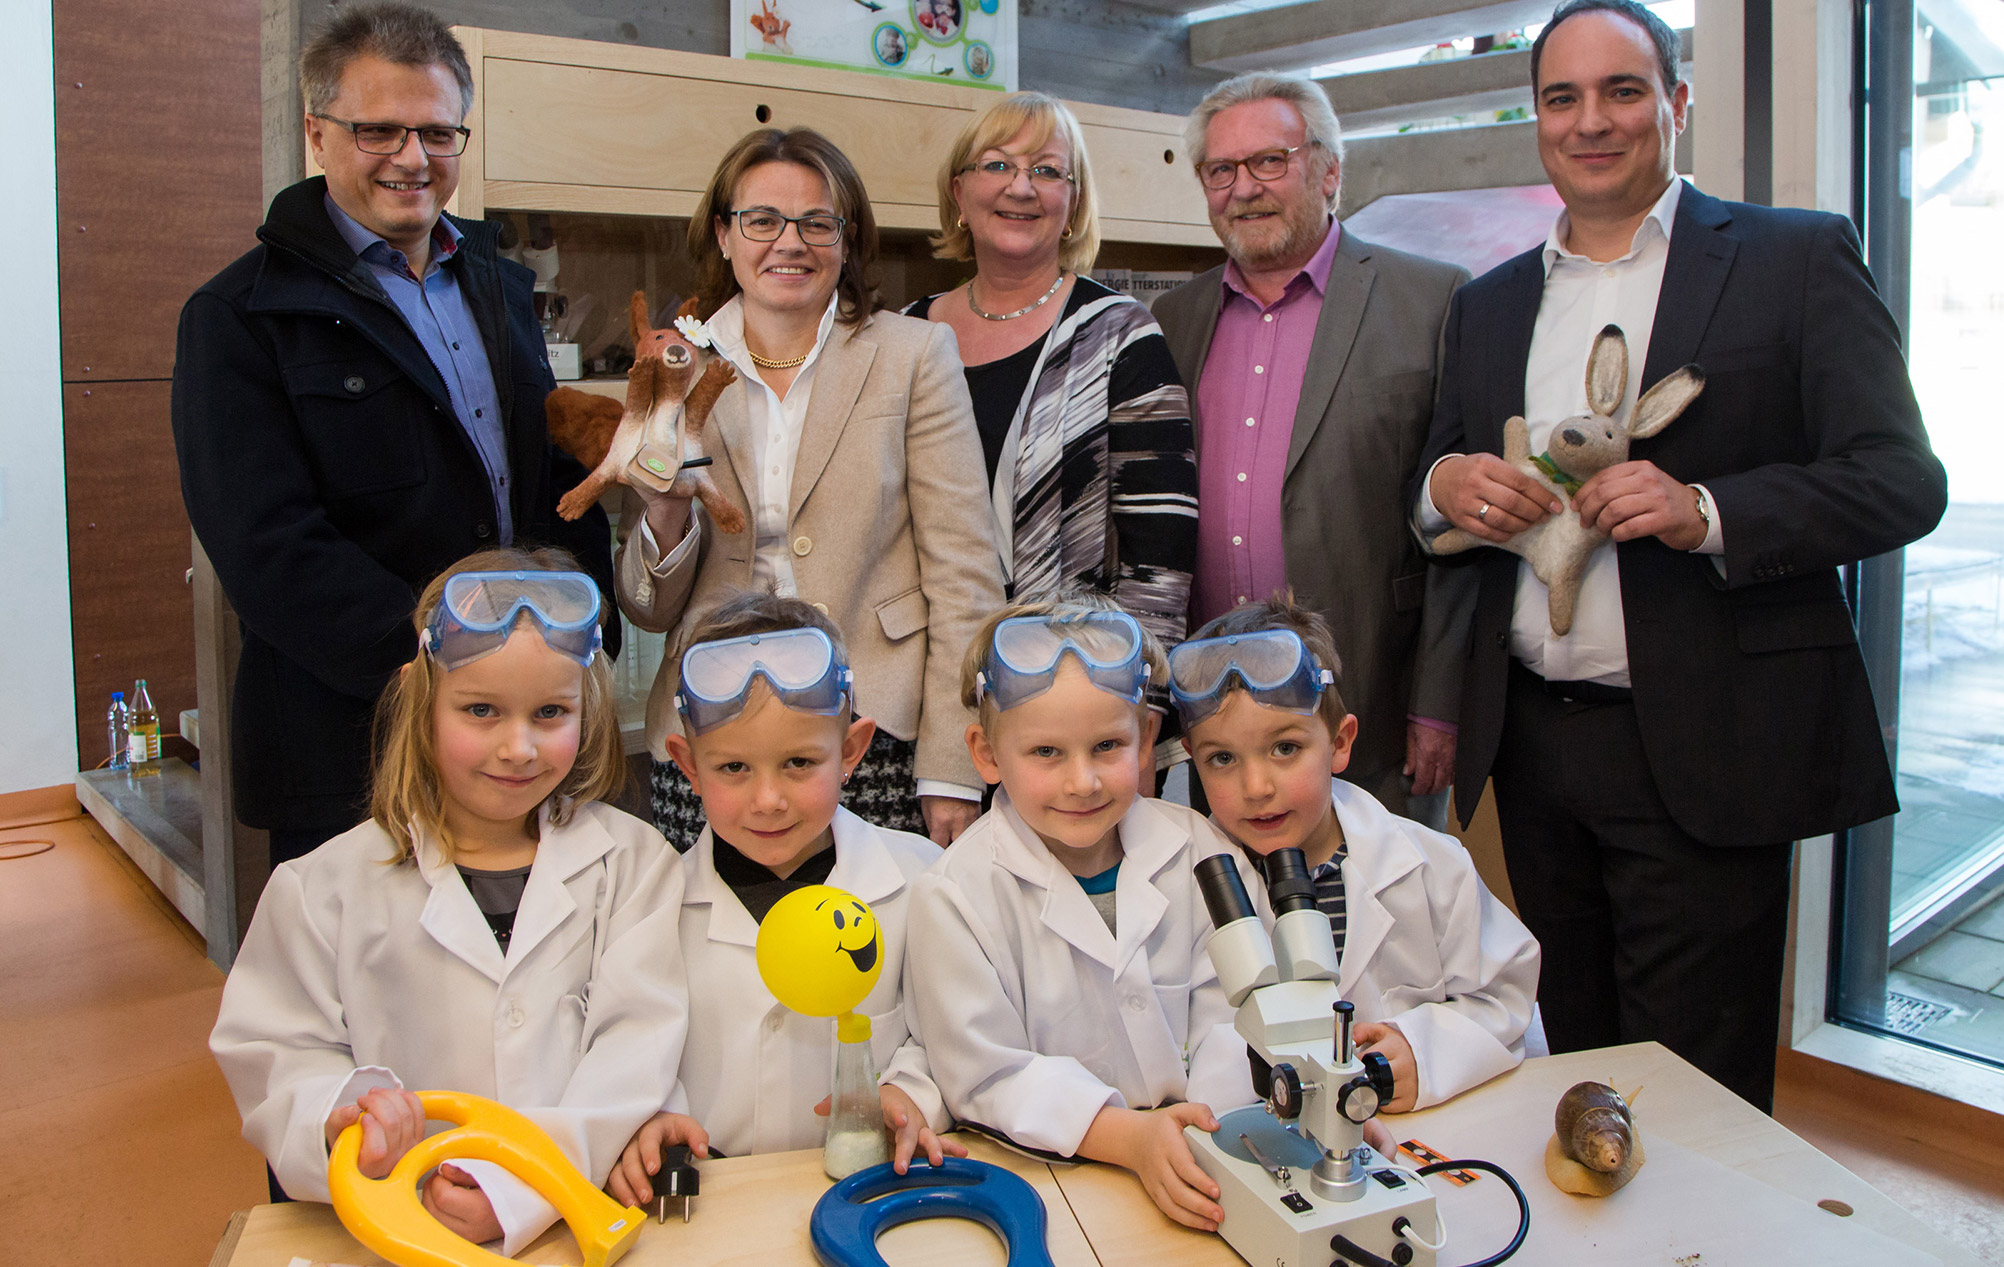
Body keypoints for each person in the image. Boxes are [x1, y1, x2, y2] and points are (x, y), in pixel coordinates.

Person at [1414, 0, 1946, 1111]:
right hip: (1534, 749)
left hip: (1711, 742)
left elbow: (1901, 479)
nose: (1591, 121)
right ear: (1536, 117)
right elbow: (1434, 482)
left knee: (1699, 1091)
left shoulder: (1794, 258)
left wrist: (1706, 509)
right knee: (1577, 1067)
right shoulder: (1489, 301)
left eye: (1623, 91)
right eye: (1562, 97)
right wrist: (1446, 485)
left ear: (1677, 103)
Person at [172, 5, 618, 867]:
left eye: (437, 132)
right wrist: (445, 663)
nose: (412, 158)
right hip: (357, 737)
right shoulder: (240, 315)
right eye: (378, 130)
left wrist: (583, 630)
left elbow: (550, 483)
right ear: (317, 133)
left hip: (523, 730)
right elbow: (266, 546)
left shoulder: (501, 286)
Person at [209, 549, 687, 1257]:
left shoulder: (636, 866)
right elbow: (277, 1051)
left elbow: (636, 1049)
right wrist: (340, 1121)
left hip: (570, 1220)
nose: (518, 747)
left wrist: (519, 1188)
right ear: (418, 699)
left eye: (550, 712)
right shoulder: (321, 888)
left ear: (586, 710)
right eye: (480, 710)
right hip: (397, 1227)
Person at [616, 127, 1005, 851]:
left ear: (847, 240)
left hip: (872, 729)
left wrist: (953, 764)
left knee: (877, 925)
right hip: (711, 730)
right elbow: (646, 608)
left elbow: (965, 573)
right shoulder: (675, 363)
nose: (789, 243)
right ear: (724, 235)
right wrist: (664, 515)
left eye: (817, 223)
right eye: (762, 220)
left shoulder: (914, 354)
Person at [1152, 74, 1472, 831]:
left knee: (1380, 903)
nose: (1244, 188)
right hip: (1216, 715)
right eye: (1221, 170)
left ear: (1329, 171)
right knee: (1227, 905)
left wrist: (1440, 703)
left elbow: (1463, 531)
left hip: (1373, 701)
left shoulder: (1433, 300)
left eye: (1270, 161)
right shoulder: (1172, 318)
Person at [904, 600, 1256, 1232]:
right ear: (986, 754)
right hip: (1052, 1182)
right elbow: (988, 1074)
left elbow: (1238, 1014)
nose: (1083, 781)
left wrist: (1207, 1130)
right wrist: (1131, 1138)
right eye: (1046, 751)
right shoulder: (953, 895)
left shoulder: (1200, 850)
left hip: (1210, 1156)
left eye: (1107, 746)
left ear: (1145, 738)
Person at [607, 594, 961, 1204]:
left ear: (851, 750)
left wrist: (911, 1093)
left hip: (871, 1193)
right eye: (733, 768)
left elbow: (949, 1035)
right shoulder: (649, 902)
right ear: (688, 766)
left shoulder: (923, 879)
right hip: (712, 1209)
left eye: (799, 762)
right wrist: (644, 1119)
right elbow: (627, 1050)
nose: (768, 800)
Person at [1172, 596, 1540, 1119]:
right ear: (1193, 761)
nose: (1256, 787)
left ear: (1340, 742)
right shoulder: (1178, 886)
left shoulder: (1430, 868)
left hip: (1422, 1134)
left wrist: (1422, 1052)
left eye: (1285, 748)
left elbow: (1506, 999)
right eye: (1223, 758)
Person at [906, 92, 1197, 650]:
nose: (1021, 188)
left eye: (1046, 171)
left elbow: (1161, 551)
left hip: (1071, 671)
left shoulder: (1121, 335)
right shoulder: (905, 333)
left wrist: (1142, 684)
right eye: (997, 165)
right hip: (926, 669)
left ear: (1073, 202)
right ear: (959, 192)